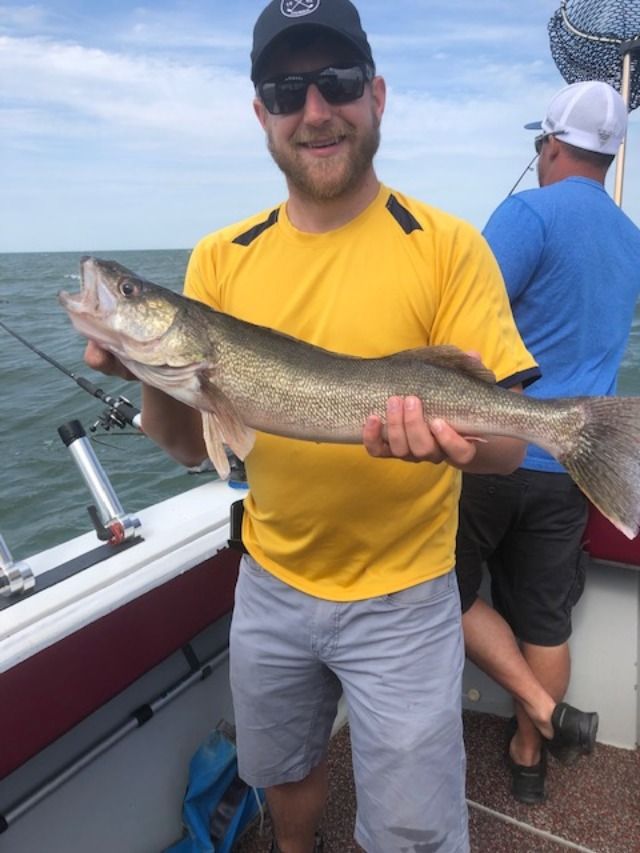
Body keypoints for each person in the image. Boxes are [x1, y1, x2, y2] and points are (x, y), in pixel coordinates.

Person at [84, 2, 541, 850]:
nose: (315, 110)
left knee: (411, 829)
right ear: (261, 112)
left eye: (334, 82)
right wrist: (146, 366)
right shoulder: (222, 257)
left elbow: (509, 443)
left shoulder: (445, 245)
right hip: (270, 584)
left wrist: (466, 442)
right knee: (284, 773)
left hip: (405, 597)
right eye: (287, 89)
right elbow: (193, 445)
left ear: (376, 95)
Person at [456, 80, 640, 805]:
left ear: (553, 146)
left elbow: (463, 326)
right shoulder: (632, 239)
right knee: (544, 615)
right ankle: (530, 754)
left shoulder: (524, 213)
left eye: (541, 143)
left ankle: (537, 706)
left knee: (442, 591)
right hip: (575, 462)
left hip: (496, 452)